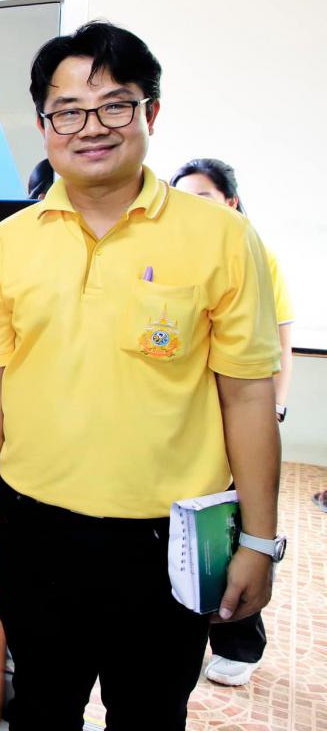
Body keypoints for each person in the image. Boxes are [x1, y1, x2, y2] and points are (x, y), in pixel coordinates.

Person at [0, 22, 283, 730]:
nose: (91, 128)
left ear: (149, 112)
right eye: (67, 111)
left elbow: (249, 396)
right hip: (34, 527)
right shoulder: (6, 244)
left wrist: (259, 541)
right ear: (44, 125)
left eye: (114, 105)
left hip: (169, 539)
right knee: (42, 707)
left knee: (151, 713)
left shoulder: (221, 237)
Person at [172, 156, 294, 686]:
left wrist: (274, 408)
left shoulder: (250, 250)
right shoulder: (166, 251)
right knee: (196, 535)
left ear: (230, 202)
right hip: (189, 424)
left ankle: (240, 640)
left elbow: (280, 339)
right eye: (181, 197)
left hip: (239, 417)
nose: (190, 209)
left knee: (236, 530)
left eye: (202, 197)